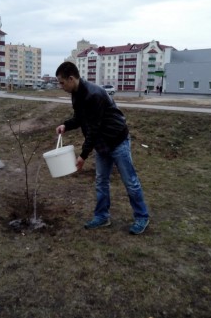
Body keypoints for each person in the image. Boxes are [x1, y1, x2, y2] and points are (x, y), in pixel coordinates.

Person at [55, 62, 150, 235]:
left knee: (130, 182)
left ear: (71, 78)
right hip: (101, 144)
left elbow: (93, 128)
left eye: (61, 82)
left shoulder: (93, 95)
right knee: (101, 182)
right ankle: (102, 216)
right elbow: (80, 118)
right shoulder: (76, 93)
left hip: (117, 140)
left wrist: (83, 155)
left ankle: (142, 216)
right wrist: (66, 125)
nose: (60, 86)